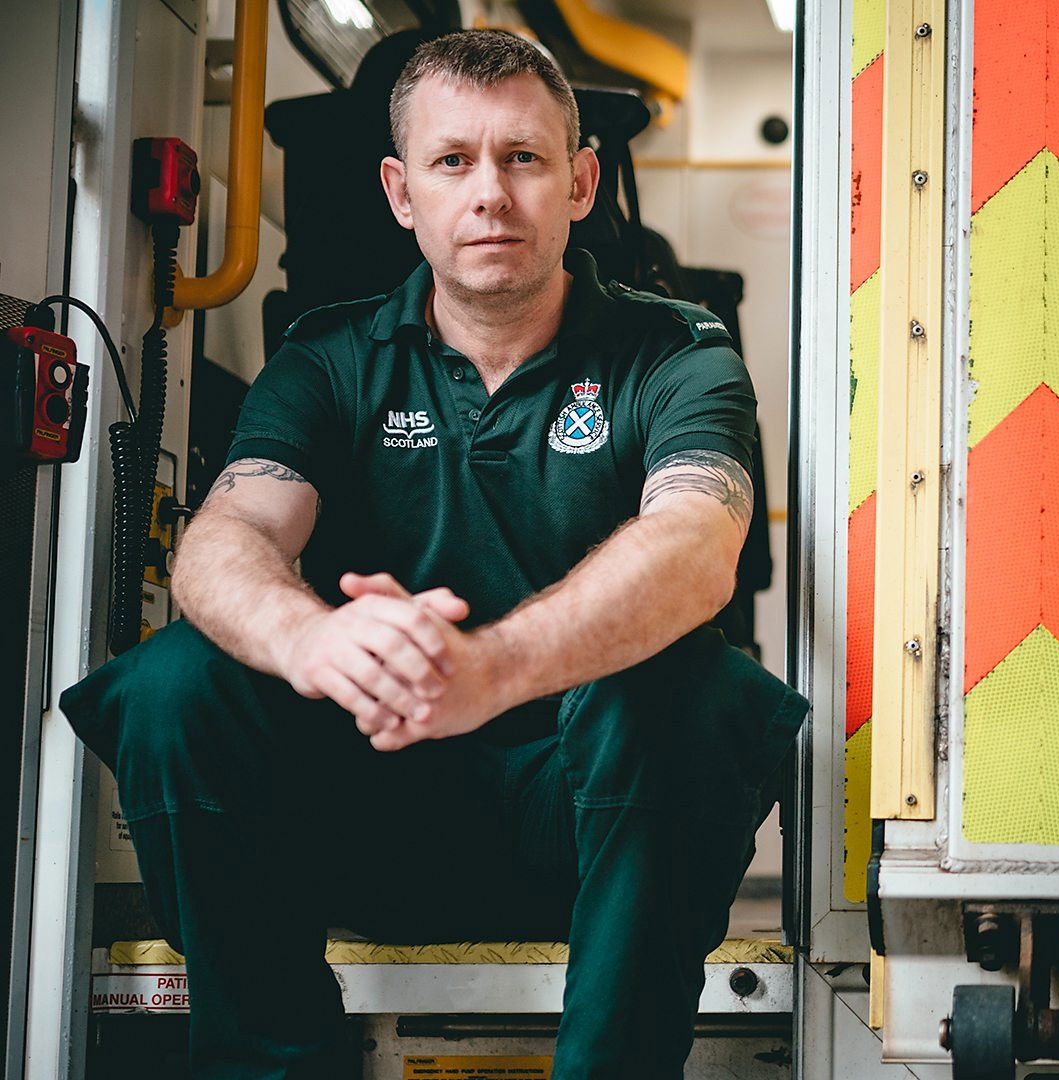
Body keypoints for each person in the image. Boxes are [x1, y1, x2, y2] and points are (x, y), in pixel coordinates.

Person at [57, 30, 808, 1080]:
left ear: (581, 183)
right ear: (400, 192)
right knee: (177, 681)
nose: (490, 192)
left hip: (593, 836)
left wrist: (490, 670)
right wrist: (312, 641)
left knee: (697, 690)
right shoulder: (327, 356)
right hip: (368, 816)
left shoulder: (676, 353)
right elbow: (228, 539)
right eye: (453, 161)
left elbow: (695, 547)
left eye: (524, 157)